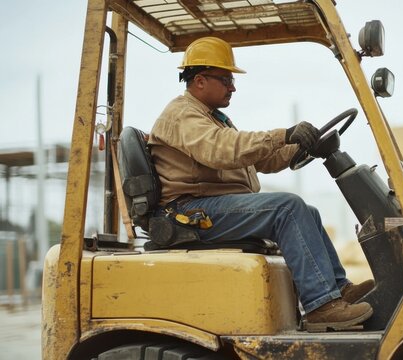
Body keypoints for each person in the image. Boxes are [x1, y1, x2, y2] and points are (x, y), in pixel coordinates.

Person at [147, 36, 374, 331]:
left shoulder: (211, 118)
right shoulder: (182, 114)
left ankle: (338, 289)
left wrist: (299, 147)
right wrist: (283, 134)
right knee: (288, 208)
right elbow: (223, 149)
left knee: (307, 210)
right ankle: (321, 306)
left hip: (209, 208)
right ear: (200, 80)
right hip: (190, 214)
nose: (233, 87)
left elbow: (259, 161)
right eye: (226, 79)